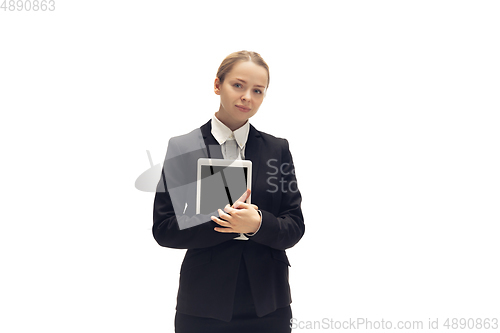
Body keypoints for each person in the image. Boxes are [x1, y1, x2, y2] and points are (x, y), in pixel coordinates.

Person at [153, 50, 305, 333]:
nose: (248, 96)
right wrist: (221, 220)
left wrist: (259, 223)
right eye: (238, 85)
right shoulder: (184, 148)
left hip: (269, 306)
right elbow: (164, 228)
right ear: (217, 85)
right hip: (203, 304)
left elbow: (294, 225)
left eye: (258, 90)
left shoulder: (277, 149)